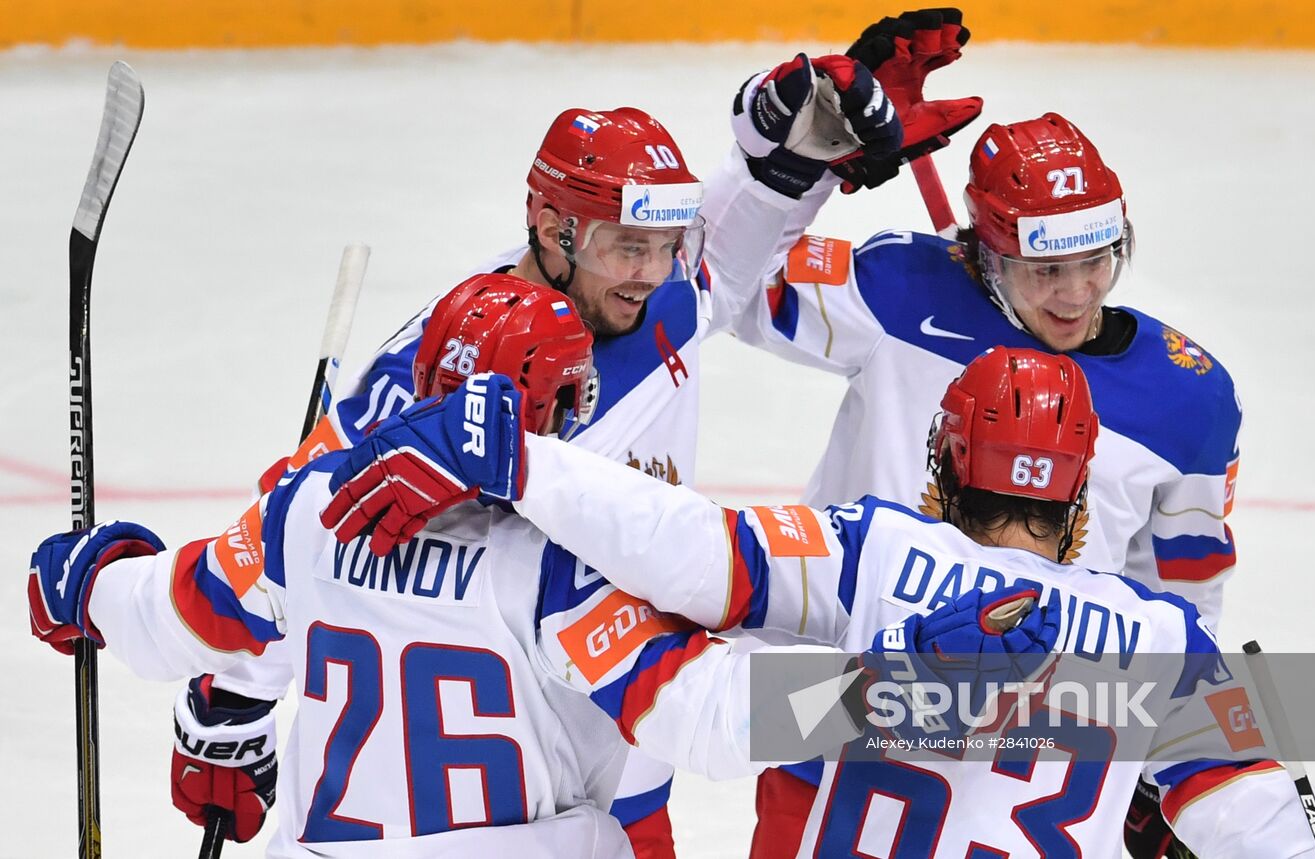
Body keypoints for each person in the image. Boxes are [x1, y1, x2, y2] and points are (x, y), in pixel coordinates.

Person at [160, 62, 946, 854]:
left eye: (663, 246)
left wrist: (794, 158)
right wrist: (229, 699)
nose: (651, 272)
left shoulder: (653, 293)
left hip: (625, 739)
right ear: (549, 227)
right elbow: (299, 536)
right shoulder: (440, 375)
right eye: (627, 247)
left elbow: (721, 270)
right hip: (510, 780)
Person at [27, 274, 1056, 858]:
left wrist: (88, 579)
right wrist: (900, 689)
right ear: (558, 408)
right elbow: (713, 716)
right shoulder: (563, 563)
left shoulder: (310, 511)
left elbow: (173, 613)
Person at [324, 345, 1313, 857]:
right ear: (1079, 500)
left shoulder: (870, 552)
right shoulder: (1165, 642)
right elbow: (1266, 831)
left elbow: (688, 547)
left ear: (941, 469)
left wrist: (521, 460)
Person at [690, 11, 1244, 853]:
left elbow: (1181, 599)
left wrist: (1161, 764)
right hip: (849, 710)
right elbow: (724, 286)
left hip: (1032, 757)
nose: (1075, 293)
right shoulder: (902, 291)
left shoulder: (1187, 398)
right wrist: (817, 164)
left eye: (1096, 260)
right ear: (985, 254)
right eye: (1044, 269)